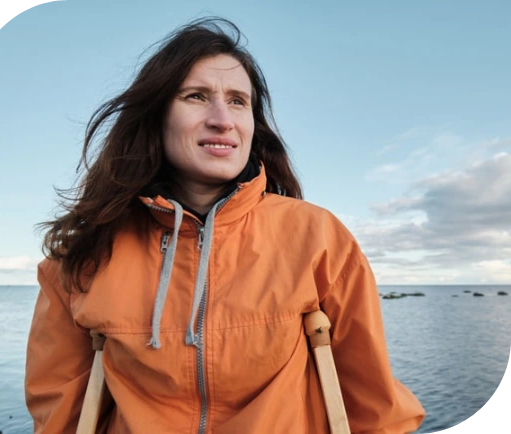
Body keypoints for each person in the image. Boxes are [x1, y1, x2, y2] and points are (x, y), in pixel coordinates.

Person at [24, 16, 426, 433]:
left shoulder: (317, 238)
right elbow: (59, 414)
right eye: (196, 96)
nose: (222, 119)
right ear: (155, 115)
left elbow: (375, 408)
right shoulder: (85, 254)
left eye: (238, 101)